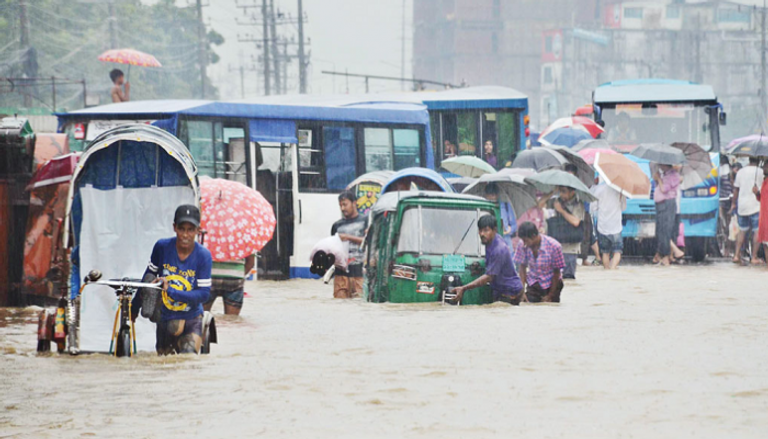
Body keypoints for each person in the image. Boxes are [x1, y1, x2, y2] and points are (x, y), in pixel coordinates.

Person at [134, 205, 212, 355]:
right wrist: (135, 307)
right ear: (174, 227)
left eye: (190, 230)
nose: (185, 235)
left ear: (197, 230)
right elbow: (148, 277)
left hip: (191, 318)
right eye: (182, 229)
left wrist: (171, 291)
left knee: (188, 356)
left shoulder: (203, 256)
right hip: (165, 319)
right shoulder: (162, 247)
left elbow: (203, 295)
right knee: (164, 363)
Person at [451, 215, 524, 305]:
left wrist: (464, 288)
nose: (482, 234)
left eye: (486, 230)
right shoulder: (490, 242)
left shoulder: (499, 249)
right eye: (480, 230)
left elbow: (489, 277)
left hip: (510, 293)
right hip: (501, 290)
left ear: (494, 230)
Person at [513, 222, 565, 303]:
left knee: (551, 308)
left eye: (526, 240)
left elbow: (556, 272)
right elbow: (522, 268)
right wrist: (522, 291)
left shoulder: (554, 246)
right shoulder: (522, 244)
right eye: (523, 240)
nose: (524, 243)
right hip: (534, 283)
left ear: (534, 236)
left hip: (552, 283)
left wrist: (550, 295)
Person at [331, 190, 367, 298]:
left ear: (354, 203)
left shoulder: (365, 221)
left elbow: (368, 242)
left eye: (345, 205)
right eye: (340, 205)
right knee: (339, 305)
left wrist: (347, 237)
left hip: (359, 273)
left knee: (359, 304)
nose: (342, 208)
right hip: (340, 274)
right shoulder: (336, 226)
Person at [731, 157, 765, 264]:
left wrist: (733, 203)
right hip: (756, 205)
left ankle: (736, 255)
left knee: (742, 231)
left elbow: (736, 189)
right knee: (757, 231)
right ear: (759, 160)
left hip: (742, 205)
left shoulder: (740, 172)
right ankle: (754, 257)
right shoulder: (761, 172)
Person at [546, 185, 584, 279]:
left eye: (564, 191)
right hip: (556, 246)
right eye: (560, 191)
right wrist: (552, 193)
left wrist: (561, 211)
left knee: (568, 278)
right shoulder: (556, 201)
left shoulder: (578, 204)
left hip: (570, 248)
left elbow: (576, 222)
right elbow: (539, 205)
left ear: (572, 192)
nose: (561, 194)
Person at [591, 180, 626, 269]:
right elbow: (623, 208)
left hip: (603, 226)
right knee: (617, 252)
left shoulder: (599, 189)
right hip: (616, 227)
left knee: (605, 252)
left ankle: (607, 271)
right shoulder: (620, 190)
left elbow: (593, 207)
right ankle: (612, 271)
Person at [652, 164, 681, 266]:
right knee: (660, 231)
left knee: (665, 230)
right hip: (661, 204)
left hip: (667, 204)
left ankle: (667, 256)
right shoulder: (665, 175)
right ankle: (664, 256)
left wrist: (659, 179)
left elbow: (664, 189)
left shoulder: (673, 175)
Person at [483, 183, 516, 251]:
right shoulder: (483, 207)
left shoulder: (506, 206)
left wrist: (509, 230)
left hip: (505, 242)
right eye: (489, 196)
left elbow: (514, 226)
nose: (492, 198)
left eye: (493, 195)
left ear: (497, 195)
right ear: (485, 195)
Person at [755, 160, 768, 268]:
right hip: (764, 216)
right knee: (765, 242)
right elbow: (761, 198)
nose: (763, 168)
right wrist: (756, 193)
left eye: (765, 166)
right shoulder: (765, 181)